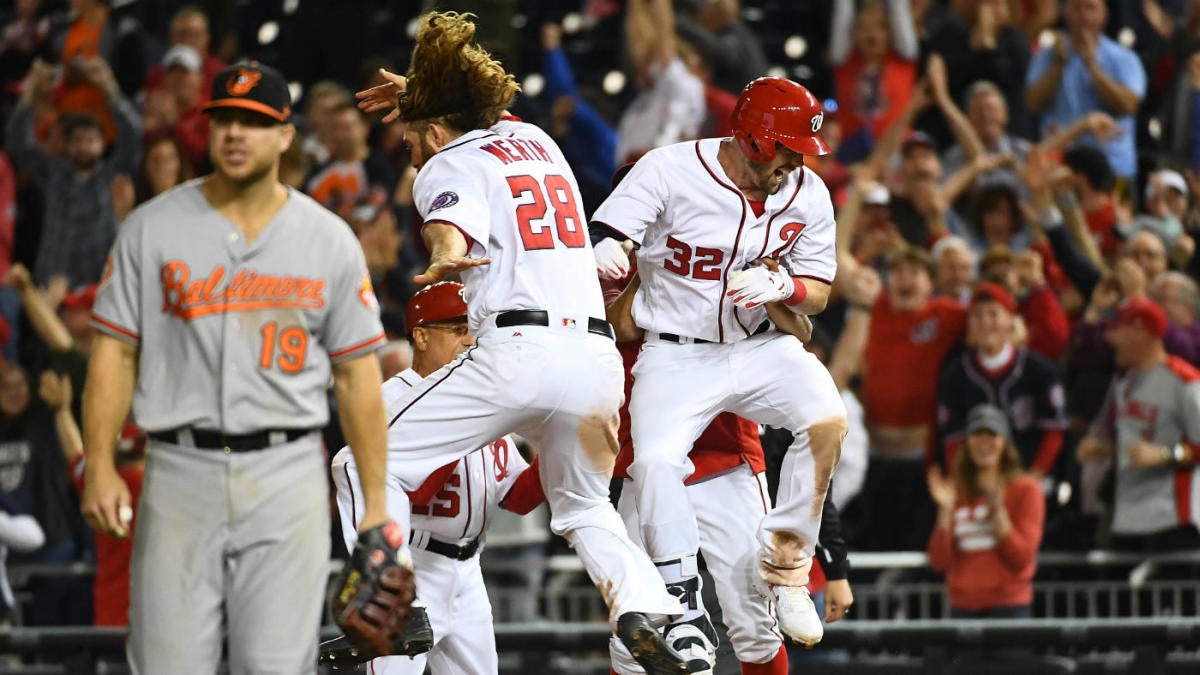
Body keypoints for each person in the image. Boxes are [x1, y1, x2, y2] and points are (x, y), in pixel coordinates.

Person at [354, 11, 687, 673]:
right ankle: (650, 609)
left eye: (416, 136)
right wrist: (421, 91)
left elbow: (450, 217)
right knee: (586, 505)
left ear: (435, 130)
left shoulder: (442, 163)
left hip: (518, 353)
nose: (413, 151)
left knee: (365, 459)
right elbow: (477, 117)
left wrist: (444, 251)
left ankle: (390, 598)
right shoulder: (532, 138)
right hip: (593, 362)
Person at [82, 62, 395, 673]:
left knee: (277, 666)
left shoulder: (328, 239)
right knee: (166, 664)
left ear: (285, 135)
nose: (234, 134)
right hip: (177, 469)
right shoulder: (151, 228)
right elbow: (114, 352)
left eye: (253, 122)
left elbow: (359, 375)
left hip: (287, 474)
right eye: (224, 118)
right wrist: (98, 463)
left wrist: (377, 503)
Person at [589, 76, 848, 660]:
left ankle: (788, 568)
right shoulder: (668, 169)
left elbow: (821, 290)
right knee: (654, 461)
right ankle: (680, 598)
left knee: (827, 419)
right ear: (755, 137)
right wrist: (607, 247)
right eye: (787, 147)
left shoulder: (806, 192)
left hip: (758, 346)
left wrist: (786, 283)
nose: (794, 163)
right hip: (678, 353)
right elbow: (610, 231)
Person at [328, 282, 547, 674]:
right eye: (456, 328)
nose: (469, 340)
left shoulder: (480, 400)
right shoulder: (390, 400)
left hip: (469, 570)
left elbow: (517, 497)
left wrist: (558, 452)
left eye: (472, 329)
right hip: (413, 567)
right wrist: (462, 429)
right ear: (422, 335)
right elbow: (403, 487)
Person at [1076, 297, 1200, 551]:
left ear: (1141, 332)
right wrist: (1104, 449)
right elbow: (1138, 441)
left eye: (1116, 329)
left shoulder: (1185, 382)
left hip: (1174, 517)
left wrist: (1166, 454)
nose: (1108, 338)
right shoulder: (1125, 383)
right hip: (1127, 516)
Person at [5, 57, 141, 286]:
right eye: (78, 140)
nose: (84, 146)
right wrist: (30, 95)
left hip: (99, 290)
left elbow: (133, 135)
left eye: (91, 139)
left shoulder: (112, 174)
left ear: (102, 144)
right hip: (52, 288)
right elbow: (18, 143)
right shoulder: (53, 174)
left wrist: (110, 90)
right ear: (68, 146)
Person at [934, 282, 1069, 477]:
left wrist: (1031, 480)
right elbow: (952, 440)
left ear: (1010, 320)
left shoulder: (1040, 371)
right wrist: (963, 487)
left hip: (1032, 479)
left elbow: (1054, 432)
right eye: (977, 315)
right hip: (977, 486)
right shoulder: (955, 375)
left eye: (993, 314)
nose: (985, 321)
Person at [927, 403, 1044, 618]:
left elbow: (1022, 558)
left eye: (991, 434)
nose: (984, 442)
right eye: (977, 434)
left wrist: (997, 511)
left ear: (1004, 443)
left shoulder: (1026, 490)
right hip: (963, 607)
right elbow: (939, 561)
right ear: (967, 443)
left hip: (1009, 607)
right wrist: (944, 511)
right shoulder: (955, 492)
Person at [1025, 0, 1145, 183]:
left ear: (1104, 14)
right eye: (1076, 8)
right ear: (1066, 13)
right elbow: (1032, 102)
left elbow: (1130, 105)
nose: (1084, 16)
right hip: (1059, 164)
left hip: (1112, 167)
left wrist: (1093, 68)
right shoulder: (1048, 55)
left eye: (1090, 8)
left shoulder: (1123, 58)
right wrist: (1059, 65)